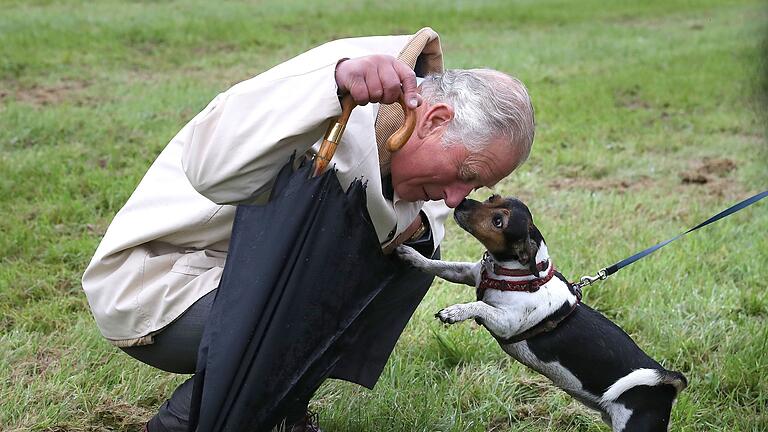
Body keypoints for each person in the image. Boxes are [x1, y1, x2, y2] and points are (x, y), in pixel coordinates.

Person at [81, 27, 535, 432]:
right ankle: (181, 423)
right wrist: (331, 86)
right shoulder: (341, 79)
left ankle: (276, 408)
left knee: (408, 263)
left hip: (245, 280)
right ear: (435, 121)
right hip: (159, 282)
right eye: (467, 174)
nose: (458, 198)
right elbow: (209, 169)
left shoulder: (415, 130)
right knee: (328, 286)